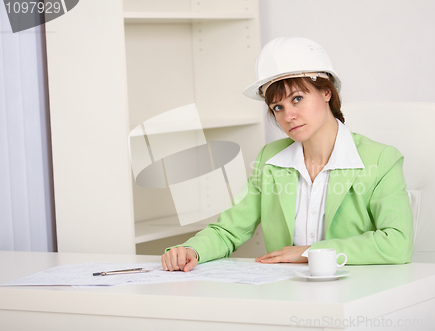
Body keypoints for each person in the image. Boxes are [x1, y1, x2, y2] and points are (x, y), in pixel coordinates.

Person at [161, 37, 414, 272]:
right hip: (286, 291)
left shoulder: (380, 160)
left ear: (326, 92)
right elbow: (229, 230)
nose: (287, 116)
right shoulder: (270, 160)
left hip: (356, 293)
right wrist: (191, 250)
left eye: (298, 99)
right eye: (278, 107)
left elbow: (397, 243)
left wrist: (310, 253)